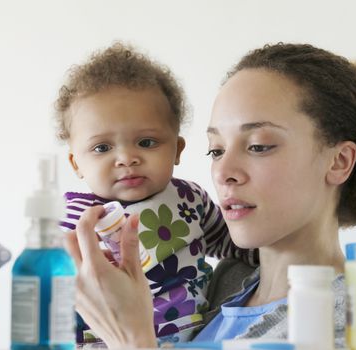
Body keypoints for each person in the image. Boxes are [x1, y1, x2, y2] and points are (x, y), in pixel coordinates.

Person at [64, 42, 356, 349]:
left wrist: (132, 341)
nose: (223, 172)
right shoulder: (225, 281)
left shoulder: (349, 326)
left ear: (339, 161)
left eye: (258, 146)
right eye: (215, 150)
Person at [54, 42, 257, 346]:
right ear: (76, 163)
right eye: (102, 148)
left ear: (177, 149)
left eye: (147, 143)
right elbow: (58, 295)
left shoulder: (191, 199)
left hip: (195, 337)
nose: (126, 158)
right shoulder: (78, 217)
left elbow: (233, 243)